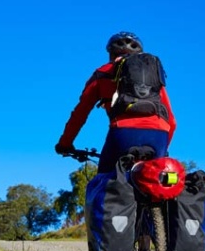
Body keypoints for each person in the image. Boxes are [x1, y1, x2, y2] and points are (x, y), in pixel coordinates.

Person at [55, 31, 176, 173]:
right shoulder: (152, 77)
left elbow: (80, 113)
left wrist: (65, 143)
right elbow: (172, 121)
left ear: (111, 54)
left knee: (105, 181)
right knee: (154, 183)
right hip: (159, 135)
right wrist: (163, 148)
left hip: (123, 132)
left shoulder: (103, 72)